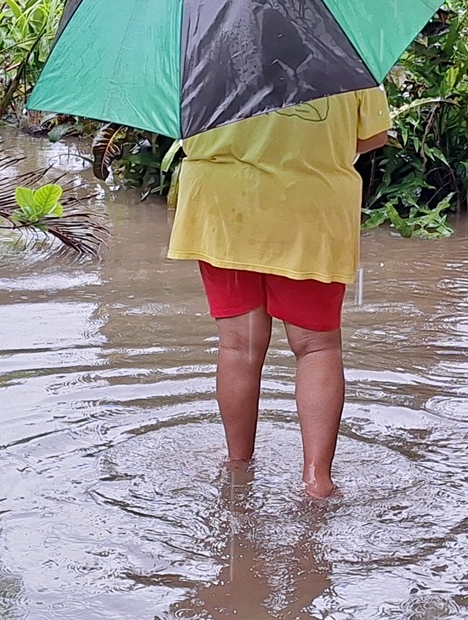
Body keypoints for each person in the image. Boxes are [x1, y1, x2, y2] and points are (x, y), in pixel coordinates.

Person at [166, 86, 392, 497]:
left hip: (223, 205)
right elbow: (373, 136)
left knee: (239, 345)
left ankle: (238, 467)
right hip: (311, 204)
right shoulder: (343, 43)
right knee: (317, 347)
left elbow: (179, 128)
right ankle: (316, 480)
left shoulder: (197, 47)